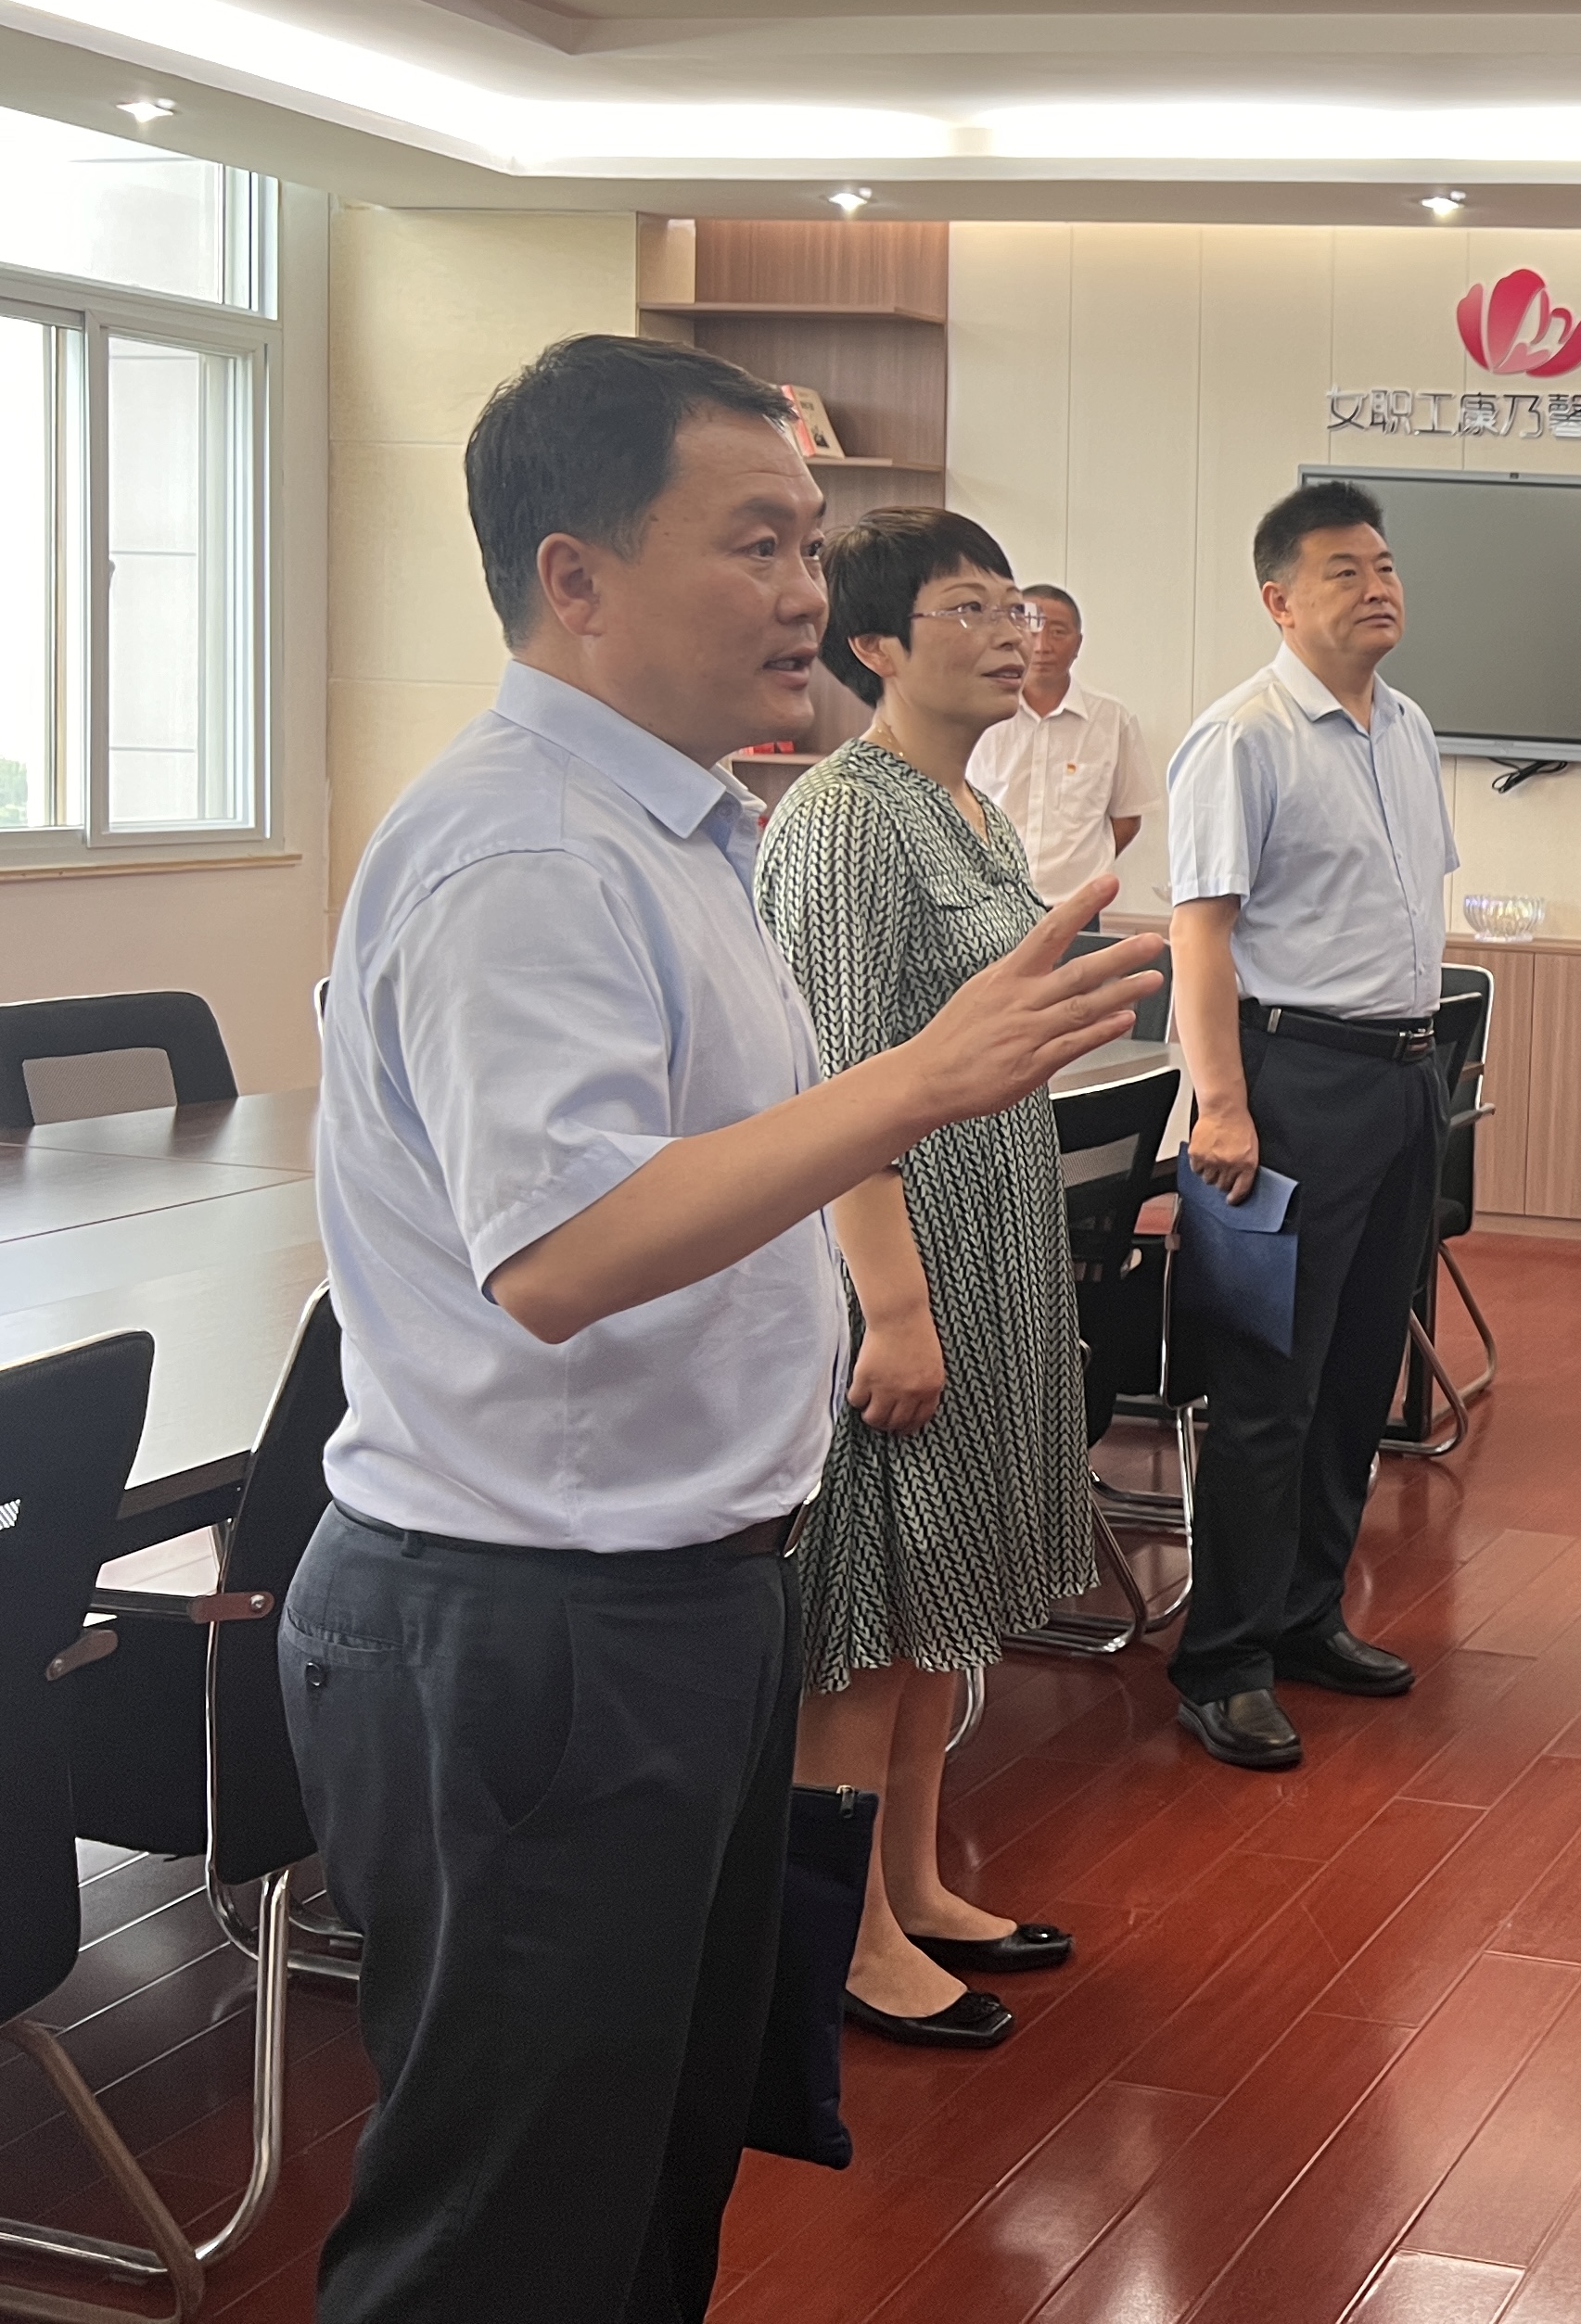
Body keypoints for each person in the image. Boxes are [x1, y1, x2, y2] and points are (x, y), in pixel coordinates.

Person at [287, 335, 1159, 2323]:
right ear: (575, 576)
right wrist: (918, 1079)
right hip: (536, 1623)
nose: (803, 592)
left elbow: (724, 1164)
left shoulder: (687, 827)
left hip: (678, 1593)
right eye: (756, 543)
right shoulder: (524, 847)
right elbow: (565, 1251)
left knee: (646, 2180)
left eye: (810, 545)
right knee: (506, 2231)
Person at [756, 508, 1103, 2053]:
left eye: (1012, 606)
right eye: (969, 608)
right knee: (870, 1600)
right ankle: (838, 1940)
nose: (1009, 632)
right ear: (876, 643)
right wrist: (891, 1309)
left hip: (988, 1241)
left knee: (932, 1602)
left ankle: (907, 1885)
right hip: (894, 1259)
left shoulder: (971, 806)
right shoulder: (847, 815)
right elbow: (835, 1085)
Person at [1162, 478, 1460, 1772]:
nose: (1377, 586)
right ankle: (1222, 1661)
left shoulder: (1410, 727)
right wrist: (1222, 1104)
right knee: (1268, 1391)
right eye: (1345, 570)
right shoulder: (1242, 737)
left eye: (1384, 565)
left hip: (1403, 1081)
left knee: (1356, 1376)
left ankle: (1304, 1616)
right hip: (1290, 1087)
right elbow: (1201, 937)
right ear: (1279, 600)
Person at [970, 581, 1157, 899]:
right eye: (1030, 630)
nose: (1042, 646)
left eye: (1058, 632)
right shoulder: (976, 715)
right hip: (989, 901)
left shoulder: (1112, 720)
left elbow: (1128, 816)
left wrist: (1086, 870)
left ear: (1078, 643)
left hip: (1076, 905)